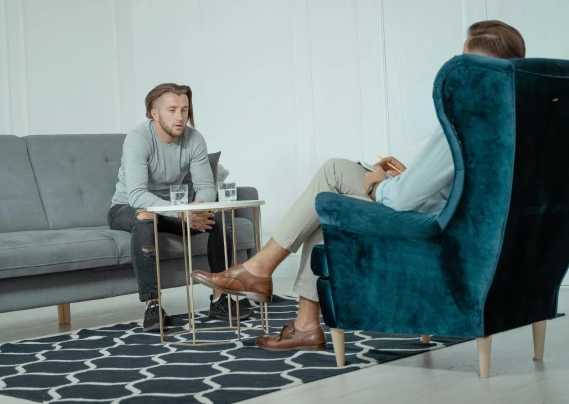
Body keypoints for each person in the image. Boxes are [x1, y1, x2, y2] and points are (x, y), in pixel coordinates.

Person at [191, 20, 526, 350]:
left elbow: (407, 198)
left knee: (332, 183)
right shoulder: (514, 115)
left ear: (475, 66)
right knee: (329, 194)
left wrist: (376, 187)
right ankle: (298, 317)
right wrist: (407, 176)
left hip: (433, 227)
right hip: (468, 225)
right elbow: (472, 184)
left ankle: (263, 275)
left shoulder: (466, 116)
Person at [108, 83, 251, 332]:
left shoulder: (194, 139)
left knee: (220, 215)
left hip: (175, 209)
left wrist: (197, 209)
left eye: (184, 110)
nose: (180, 117)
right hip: (127, 207)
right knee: (145, 217)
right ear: (154, 113)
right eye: (172, 110)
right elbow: (138, 195)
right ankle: (153, 306)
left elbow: (206, 186)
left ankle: (220, 299)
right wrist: (182, 213)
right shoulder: (138, 138)